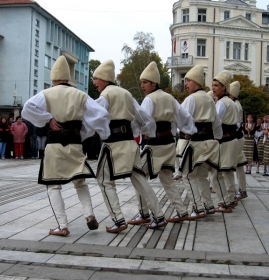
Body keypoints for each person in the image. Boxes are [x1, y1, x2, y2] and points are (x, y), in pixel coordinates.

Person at [22, 55, 110, 236]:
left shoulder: (47, 93)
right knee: (80, 181)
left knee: (53, 185)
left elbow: (27, 109)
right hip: (75, 143)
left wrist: (48, 118)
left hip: (54, 144)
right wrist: (85, 132)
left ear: (53, 79)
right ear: (67, 78)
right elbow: (101, 114)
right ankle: (89, 215)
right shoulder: (80, 94)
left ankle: (62, 226)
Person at [93, 59, 166, 232]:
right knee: (140, 179)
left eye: (96, 78)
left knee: (104, 180)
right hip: (129, 143)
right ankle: (159, 215)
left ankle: (118, 220)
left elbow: (96, 119)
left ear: (103, 78)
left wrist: (101, 135)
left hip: (113, 144)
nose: (94, 82)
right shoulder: (126, 94)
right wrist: (146, 132)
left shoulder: (105, 96)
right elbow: (144, 117)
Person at [128, 61, 197, 225]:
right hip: (169, 145)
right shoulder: (170, 98)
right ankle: (181, 211)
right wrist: (189, 130)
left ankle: (147, 213)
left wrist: (142, 132)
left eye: (145, 82)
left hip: (155, 146)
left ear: (153, 83)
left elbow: (142, 120)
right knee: (167, 180)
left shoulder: (149, 99)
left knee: (137, 175)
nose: (143, 85)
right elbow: (185, 118)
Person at [180, 65, 223, 219]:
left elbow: (182, 118)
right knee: (201, 176)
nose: (186, 84)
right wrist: (218, 136)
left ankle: (198, 208)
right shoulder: (209, 99)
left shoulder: (192, 99)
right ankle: (209, 205)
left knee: (187, 175)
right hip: (209, 142)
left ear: (196, 83)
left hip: (197, 142)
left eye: (188, 81)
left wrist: (185, 131)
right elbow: (216, 122)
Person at [211, 70, 239, 210]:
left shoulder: (222, 103)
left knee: (220, 173)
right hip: (230, 140)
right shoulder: (231, 102)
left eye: (216, 85)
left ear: (224, 87)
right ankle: (230, 199)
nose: (213, 87)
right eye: (213, 85)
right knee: (226, 173)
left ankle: (227, 201)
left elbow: (215, 122)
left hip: (225, 141)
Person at [229, 81, 248, 200]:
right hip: (238, 137)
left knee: (235, 164)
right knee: (239, 165)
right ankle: (242, 189)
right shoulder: (236, 103)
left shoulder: (234, 104)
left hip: (235, 137)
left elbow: (235, 123)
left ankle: (240, 190)